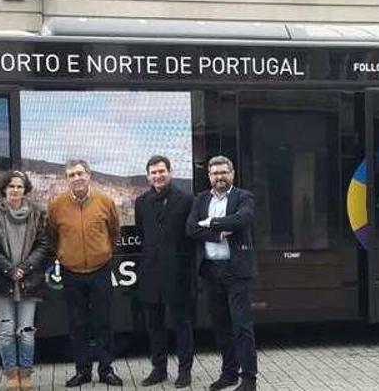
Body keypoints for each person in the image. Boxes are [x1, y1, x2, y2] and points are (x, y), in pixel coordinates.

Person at [47, 159, 124, 387]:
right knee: (77, 324)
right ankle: (82, 371)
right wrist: (62, 254)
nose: (76, 178)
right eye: (71, 175)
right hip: (71, 273)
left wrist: (106, 252)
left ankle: (106, 370)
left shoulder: (105, 201)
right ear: (66, 179)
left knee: (103, 322)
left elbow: (114, 231)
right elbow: (52, 236)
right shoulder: (57, 204)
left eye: (80, 173)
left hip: (100, 270)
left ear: (89, 175)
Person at [187, 156, 258, 391]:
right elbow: (191, 228)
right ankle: (229, 373)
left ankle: (249, 379)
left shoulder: (243, 197)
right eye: (215, 173)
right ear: (208, 176)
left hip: (236, 271)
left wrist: (211, 223)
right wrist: (218, 232)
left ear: (232, 173)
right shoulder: (201, 199)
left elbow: (243, 219)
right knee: (221, 326)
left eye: (223, 172)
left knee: (242, 326)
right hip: (210, 271)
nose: (219, 177)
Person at [0, 170, 50, 391]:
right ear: (4, 188)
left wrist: (24, 268)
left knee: (26, 330)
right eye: (11, 186)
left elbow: (43, 245)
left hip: (28, 280)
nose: (15, 190)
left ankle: (26, 373)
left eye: (20, 186)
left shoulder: (38, 214)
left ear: (25, 189)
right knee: (6, 329)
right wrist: (8, 269)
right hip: (1, 280)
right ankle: (11, 374)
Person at [135, 155, 196, 388]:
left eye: (161, 171)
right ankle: (159, 369)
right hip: (150, 273)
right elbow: (142, 233)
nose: (158, 176)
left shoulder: (186, 200)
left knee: (182, 324)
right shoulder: (141, 202)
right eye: (153, 172)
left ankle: (184, 371)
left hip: (178, 272)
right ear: (148, 176)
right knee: (154, 325)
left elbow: (190, 238)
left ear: (169, 172)